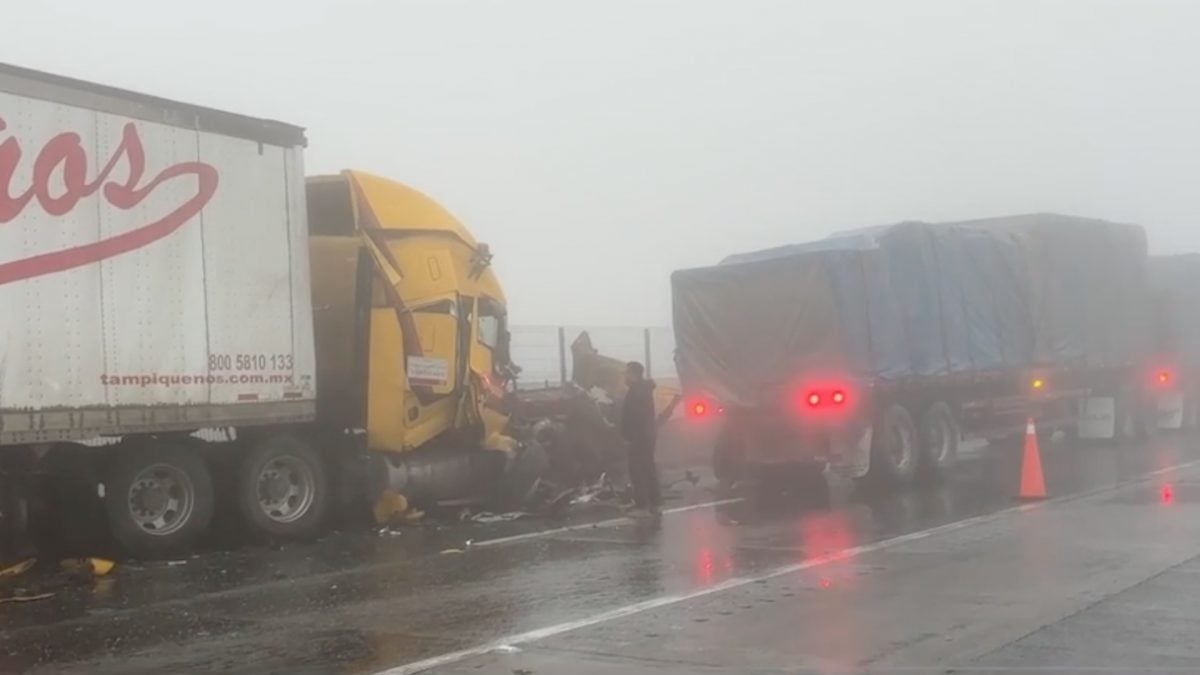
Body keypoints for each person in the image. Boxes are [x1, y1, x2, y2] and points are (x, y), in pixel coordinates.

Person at [620, 361, 660, 516]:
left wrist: (629, 434)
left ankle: (642, 506)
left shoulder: (636, 391)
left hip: (639, 437)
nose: (625, 376)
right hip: (646, 436)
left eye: (627, 373)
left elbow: (635, 417)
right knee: (648, 468)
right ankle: (655, 503)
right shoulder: (643, 390)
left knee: (637, 470)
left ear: (634, 374)